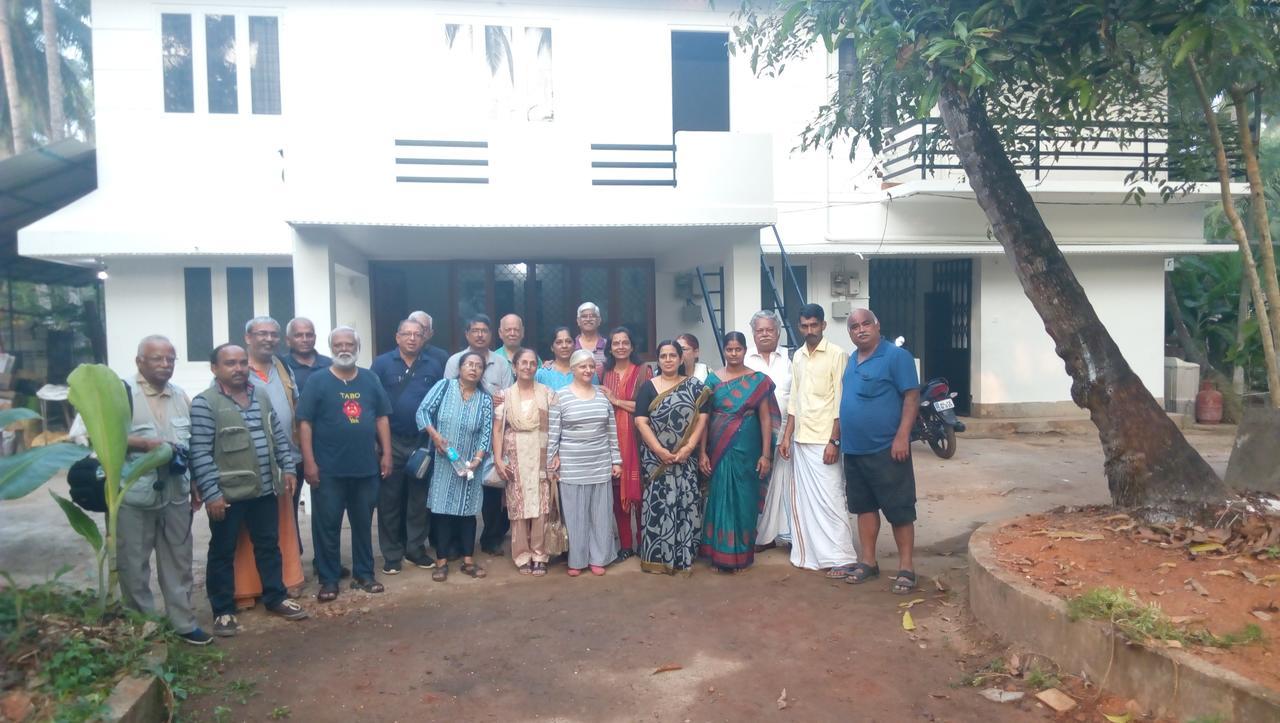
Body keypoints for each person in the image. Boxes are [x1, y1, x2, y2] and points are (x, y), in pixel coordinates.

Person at [191, 344, 308, 637]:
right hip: (227, 495)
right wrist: (212, 493)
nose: (239, 368)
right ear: (215, 368)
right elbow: (201, 452)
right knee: (222, 551)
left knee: (268, 545)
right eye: (230, 363)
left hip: (265, 489)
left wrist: (289, 469)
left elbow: (279, 437)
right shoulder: (205, 403)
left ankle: (275, 597)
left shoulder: (261, 396)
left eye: (243, 362)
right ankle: (223, 610)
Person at [118, 335, 210, 645]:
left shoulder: (180, 396)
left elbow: (193, 444)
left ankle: (182, 623)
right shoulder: (122, 394)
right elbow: (93, 436)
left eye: (170, 359)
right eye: (157, 358)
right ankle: (142, 628)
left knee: (179, 560)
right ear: (139, 361)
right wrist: (142, 444)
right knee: (133, 563)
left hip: (174, 492)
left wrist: (197, 482)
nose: (165, 364)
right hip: (134, 494)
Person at [297, 327, 393, 602]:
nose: (344, 348)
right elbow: (305, 422)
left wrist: (386, 454)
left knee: (363, 524)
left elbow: (381, 418)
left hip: (365, 468)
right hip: (328, 471)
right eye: (338, 344)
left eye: (349, 343)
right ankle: (328, 580)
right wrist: (309, 462)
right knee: (327, 526)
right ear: (331, 348)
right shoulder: (318, 381)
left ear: (357, 347)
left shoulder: (370, 378)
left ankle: (364, 574)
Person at [839, 309, 921, 594]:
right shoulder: (851, 360)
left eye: (865, 324)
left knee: (899, 509)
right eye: (853, 327)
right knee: (864, 508)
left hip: (887, 448)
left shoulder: (897, 357)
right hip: (855, 449)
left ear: (877, 325)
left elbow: (911, 397)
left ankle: (907, 568)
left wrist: (902, 437)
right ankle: (868, 562)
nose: (860, 330)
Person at [778, 304, 860, 575]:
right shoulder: (798, 356)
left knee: (831, 499)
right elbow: (794, 401)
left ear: (824, 325)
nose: (810, 330)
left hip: (825, 440)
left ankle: (842, 557)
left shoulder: (838, 355)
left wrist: (834, 441)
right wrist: (786, 437)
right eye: (805, 326)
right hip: (801, 439)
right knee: (805, 503)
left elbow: (840, 401)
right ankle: (813, 555)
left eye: (814, 325)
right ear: (799, 326)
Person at [236, 316, 304, 607]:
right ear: (248, 337)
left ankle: (287, 579)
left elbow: (294, 407)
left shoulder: (282, 367)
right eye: (261, 334)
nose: (268, 339)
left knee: (283, 525)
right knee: (245, 530)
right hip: (245, 463)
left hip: (284, 459)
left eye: (273, 334)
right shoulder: (237, 367)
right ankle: (246, 589)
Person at [371, 318, 444, 574]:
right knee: (389, 500)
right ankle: (392, 554)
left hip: (421, 442)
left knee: (419, 499)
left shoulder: (434, 366)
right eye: (407, 334)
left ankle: (415, 549)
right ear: (397, 337)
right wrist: (379, 445)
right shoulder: (381, 364)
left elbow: (440, 404)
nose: (412, 338)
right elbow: (373, 403)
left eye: (417, 334)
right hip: (391, 440)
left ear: (424, 338)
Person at [699, 332, 775, 572]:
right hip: (719, 447)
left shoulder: (757, 380)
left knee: (745, 498)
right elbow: (703, 420)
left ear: (744, 350)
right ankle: (720, 554)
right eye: (729, 349)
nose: (733, 354)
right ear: (724, 351)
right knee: (720, 495)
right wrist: (702, 452)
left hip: (748, 447)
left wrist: (765, 454)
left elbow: (765, 419)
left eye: (738, 349)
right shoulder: (712, 381)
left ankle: (741, 554)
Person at [634, 339, 710, 576]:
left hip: (684, 459)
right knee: (658, 506)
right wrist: (658, 450)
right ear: (658, 360)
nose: (668, 360)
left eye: (672, 356)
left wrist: (689, 447)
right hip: (657, 461)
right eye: (663, 356)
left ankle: (682, 556)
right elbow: (640, 421)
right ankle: (657, 558)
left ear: (680, 359)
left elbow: (703, 418)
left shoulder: (696, 387)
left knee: (684, 504)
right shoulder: (648, 387)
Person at [416, 351, 493, 581]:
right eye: (469, 364)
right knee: (442, 511)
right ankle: (441, 561)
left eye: (478, 366)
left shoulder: (485, 399)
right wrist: (435, 437)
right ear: (460, 368)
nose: (473, 368)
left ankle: (468, 560)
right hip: (443, 461)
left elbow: (485, 433)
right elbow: (423, 411)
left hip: (470, 464)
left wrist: (477, 461)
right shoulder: (444, 387)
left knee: (468, 512)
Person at [444, 314, 514, 556]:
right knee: (458, 486)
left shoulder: (502, 363)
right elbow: (449, 394)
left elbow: (507, 395)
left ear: (491, 334)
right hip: (462, 435)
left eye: (485, 330)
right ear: (467, 334)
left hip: (493, 431)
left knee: (493, 488)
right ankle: (454, 543)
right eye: (475, 330)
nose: (480, 334)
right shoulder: (454, 361)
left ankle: (491, 538)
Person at [547, 350, 621, 576]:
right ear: (572, 370)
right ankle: (576, 560)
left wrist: (616, 460)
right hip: (571, 465)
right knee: (575, 515)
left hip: (599, 462)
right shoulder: (561, 396)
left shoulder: (602, 397)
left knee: (600, 514)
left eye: (591, 366)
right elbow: (553, 433)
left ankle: (599, 558)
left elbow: (611, 431)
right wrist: (551, 461)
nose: (588, 370)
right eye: (582, 366)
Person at [493, 348, 556, 576]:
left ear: (536, 367)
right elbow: (498, 428)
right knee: (518, 506)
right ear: (515, 366)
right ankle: (521, 555)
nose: (528, 367)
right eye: (523, 363)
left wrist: (555, 455)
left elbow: (556, 426)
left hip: (541, 454)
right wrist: (499, 459)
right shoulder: (505, 395)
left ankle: (540, 554)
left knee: (541, 506)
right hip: (515, 455)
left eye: (532, 363)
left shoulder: (548, 393)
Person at [279, 316, 331, 560]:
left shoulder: (329, 364)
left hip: (327, 447)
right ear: (289, 339)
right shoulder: (280, 366)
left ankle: (325, 561)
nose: (304, 339)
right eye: (299, 335)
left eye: (309, 334)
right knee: (288, 506)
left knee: (325, 508)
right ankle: (292, 560)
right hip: (293, 448)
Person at [599, 326, 652, 560]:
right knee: (616, 491)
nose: (620, 346)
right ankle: (626, 545)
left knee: (640, 493)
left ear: (632, 346)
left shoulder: (643, 372)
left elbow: (647, 407)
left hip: (638, 440)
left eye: (625, 342)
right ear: (609, 347)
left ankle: (643, 543)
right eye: (615, 343)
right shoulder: (602, 372)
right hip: (609, 440)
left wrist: (615, 400)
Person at [745, 310, 793, 550]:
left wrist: (787, 434)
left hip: (788, 434)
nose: (764, 334)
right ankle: (762, 536)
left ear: (778, 332)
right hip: (756, 436)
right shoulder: (745, 361)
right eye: (759, 330)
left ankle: (788, 536)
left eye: (769, 330)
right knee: (760, 484)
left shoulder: (791, 359)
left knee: (787, 486)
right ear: (753, 334)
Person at [573, 302, 607, 368]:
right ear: (578, 321)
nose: (588, 319)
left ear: (599, 320)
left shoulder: (608, 345)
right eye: (584, 316)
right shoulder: (571, 345)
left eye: (592, 316)